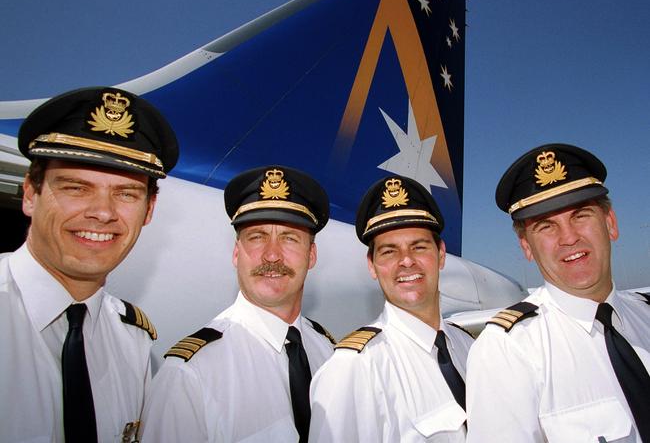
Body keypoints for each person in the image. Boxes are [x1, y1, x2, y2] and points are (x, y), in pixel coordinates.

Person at [0, 87, 179, 442]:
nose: (103, 212)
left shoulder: (132, 341)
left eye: (126, 193)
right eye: (76, 188)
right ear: (31, 195)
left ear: (149, 210)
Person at [466, 143, 650, 442]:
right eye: (546, 226)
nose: (569, 238)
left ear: (610, 224)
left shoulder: (646, 314)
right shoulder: (507, 352)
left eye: (581, 216)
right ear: (526, 246)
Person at [140, 165, 335, 443]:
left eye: (289, 238)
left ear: (311, 254)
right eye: (257, 237)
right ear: (236, 252)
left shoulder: (329, 352)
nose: (272, 255)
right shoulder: (189, 375)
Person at [309, 175, 474, 442]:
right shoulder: (352, 368)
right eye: (389, 252)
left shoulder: (469, 347)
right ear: (372, 266)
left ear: (441, 255)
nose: (406, 261)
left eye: (419, 247)